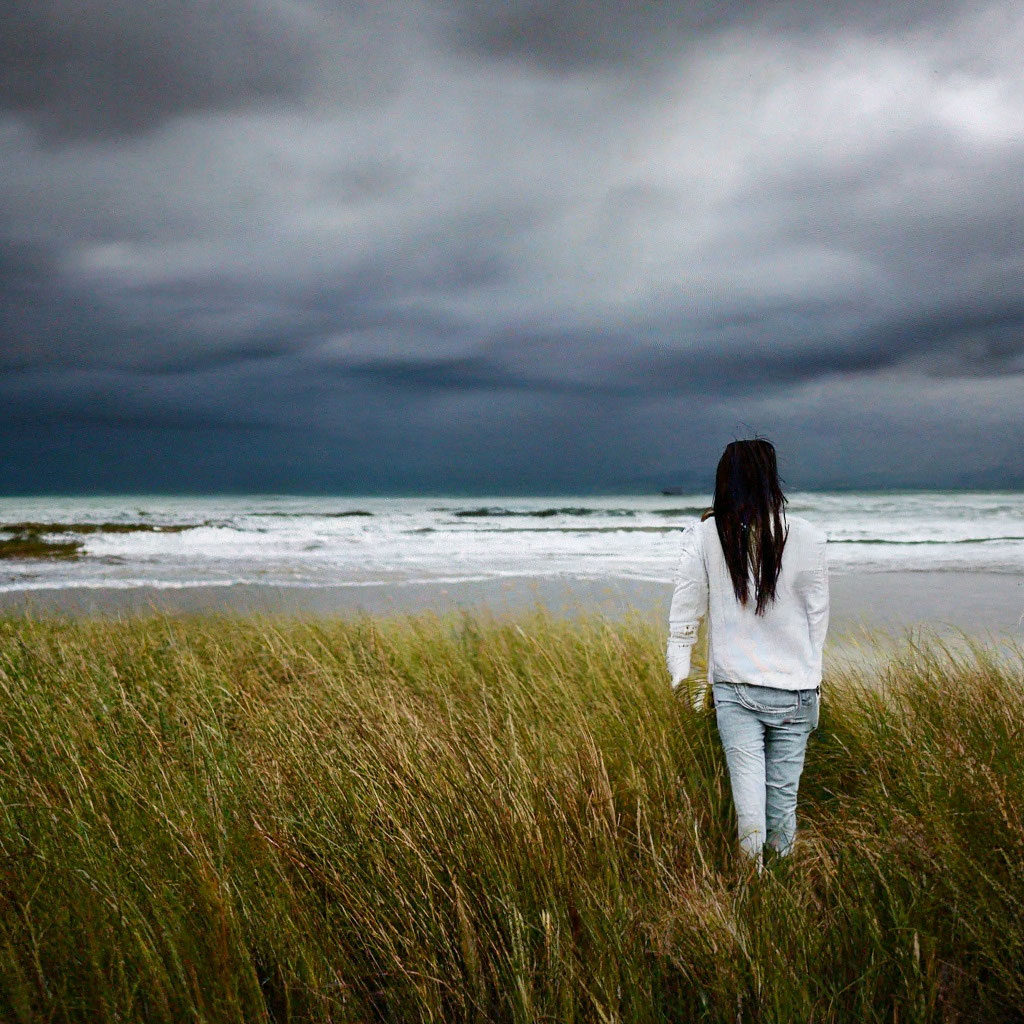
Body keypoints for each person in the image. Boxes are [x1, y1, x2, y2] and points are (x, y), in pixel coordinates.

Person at [666, 438, 829, 865]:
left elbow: (684, 617)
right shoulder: (808, 537)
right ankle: (778, 896)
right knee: (783, 804)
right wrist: (814, 682)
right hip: (797, 690)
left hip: (736, 689)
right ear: (770, 479)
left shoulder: (705, 535)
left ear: (726, 480)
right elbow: (818, 621)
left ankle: (752, 894)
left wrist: (681, 681)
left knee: (749, 805)